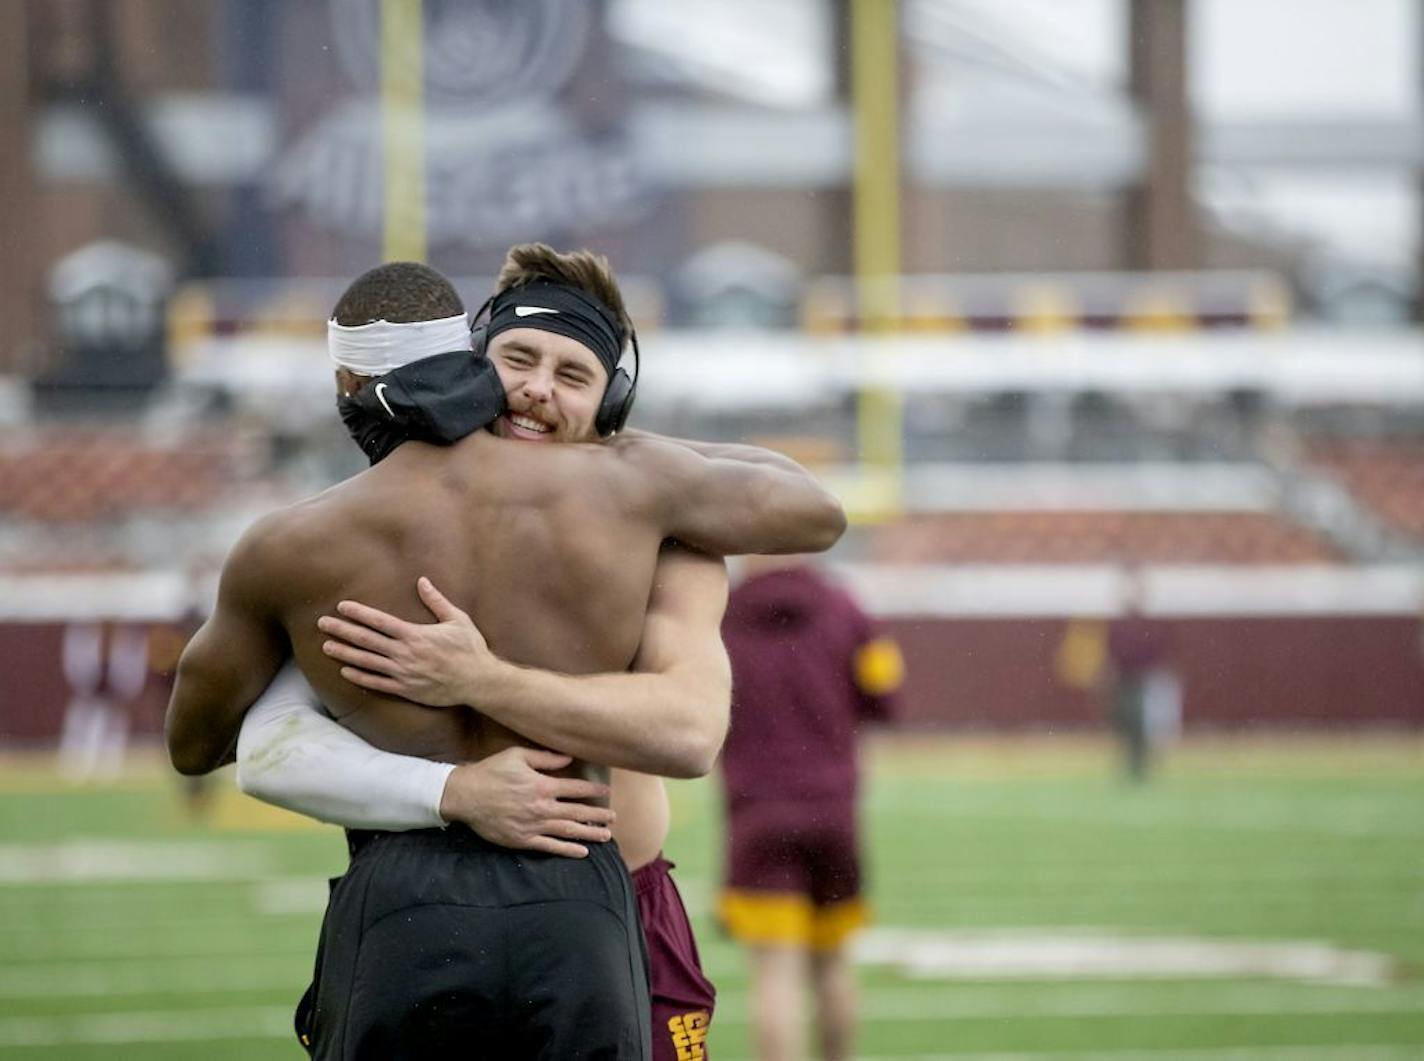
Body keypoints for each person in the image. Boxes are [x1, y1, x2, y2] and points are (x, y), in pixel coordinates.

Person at [166, 251, 845, 1059]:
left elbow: (195, 741)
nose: (537, 390)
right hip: (575, 895)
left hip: (407, 896)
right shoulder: (641, 496)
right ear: (471, 363)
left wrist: (472, 681)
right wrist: (636, 460)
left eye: (573, 376)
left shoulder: (304, 538)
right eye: (518, 361)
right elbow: (806, 509)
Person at [716, 555, 902, 1061]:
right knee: (834, 963)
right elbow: (886, 696)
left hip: (757, 809)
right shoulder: (845, 606)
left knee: (775, 973)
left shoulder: (723, 612)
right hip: (833, 807)